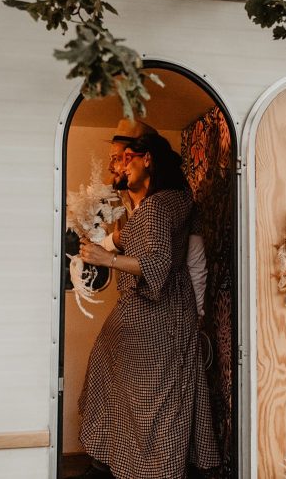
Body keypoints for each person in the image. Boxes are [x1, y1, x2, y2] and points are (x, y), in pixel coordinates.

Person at [76, 133, 219, 478]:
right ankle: (123, 461)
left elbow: (157, 261)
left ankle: (143, 467)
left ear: (147, 159)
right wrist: (196, 314)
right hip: (175, 311)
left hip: (152, 314)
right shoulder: (176, 200)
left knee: (148, 402)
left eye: (125, 158)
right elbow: (194, 259)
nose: (117, 165)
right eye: (114, 158)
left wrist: (105, 258)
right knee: (150, 395)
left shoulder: (153, 208)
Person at [103, 119, 207, 318]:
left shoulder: (171, 201)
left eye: (119, 158)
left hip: (166, 313)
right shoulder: (119, 200)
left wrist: (196, 314)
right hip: (135, 311)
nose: (112, 167)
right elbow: (121, 239)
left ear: (145, 158)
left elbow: (195, 261)